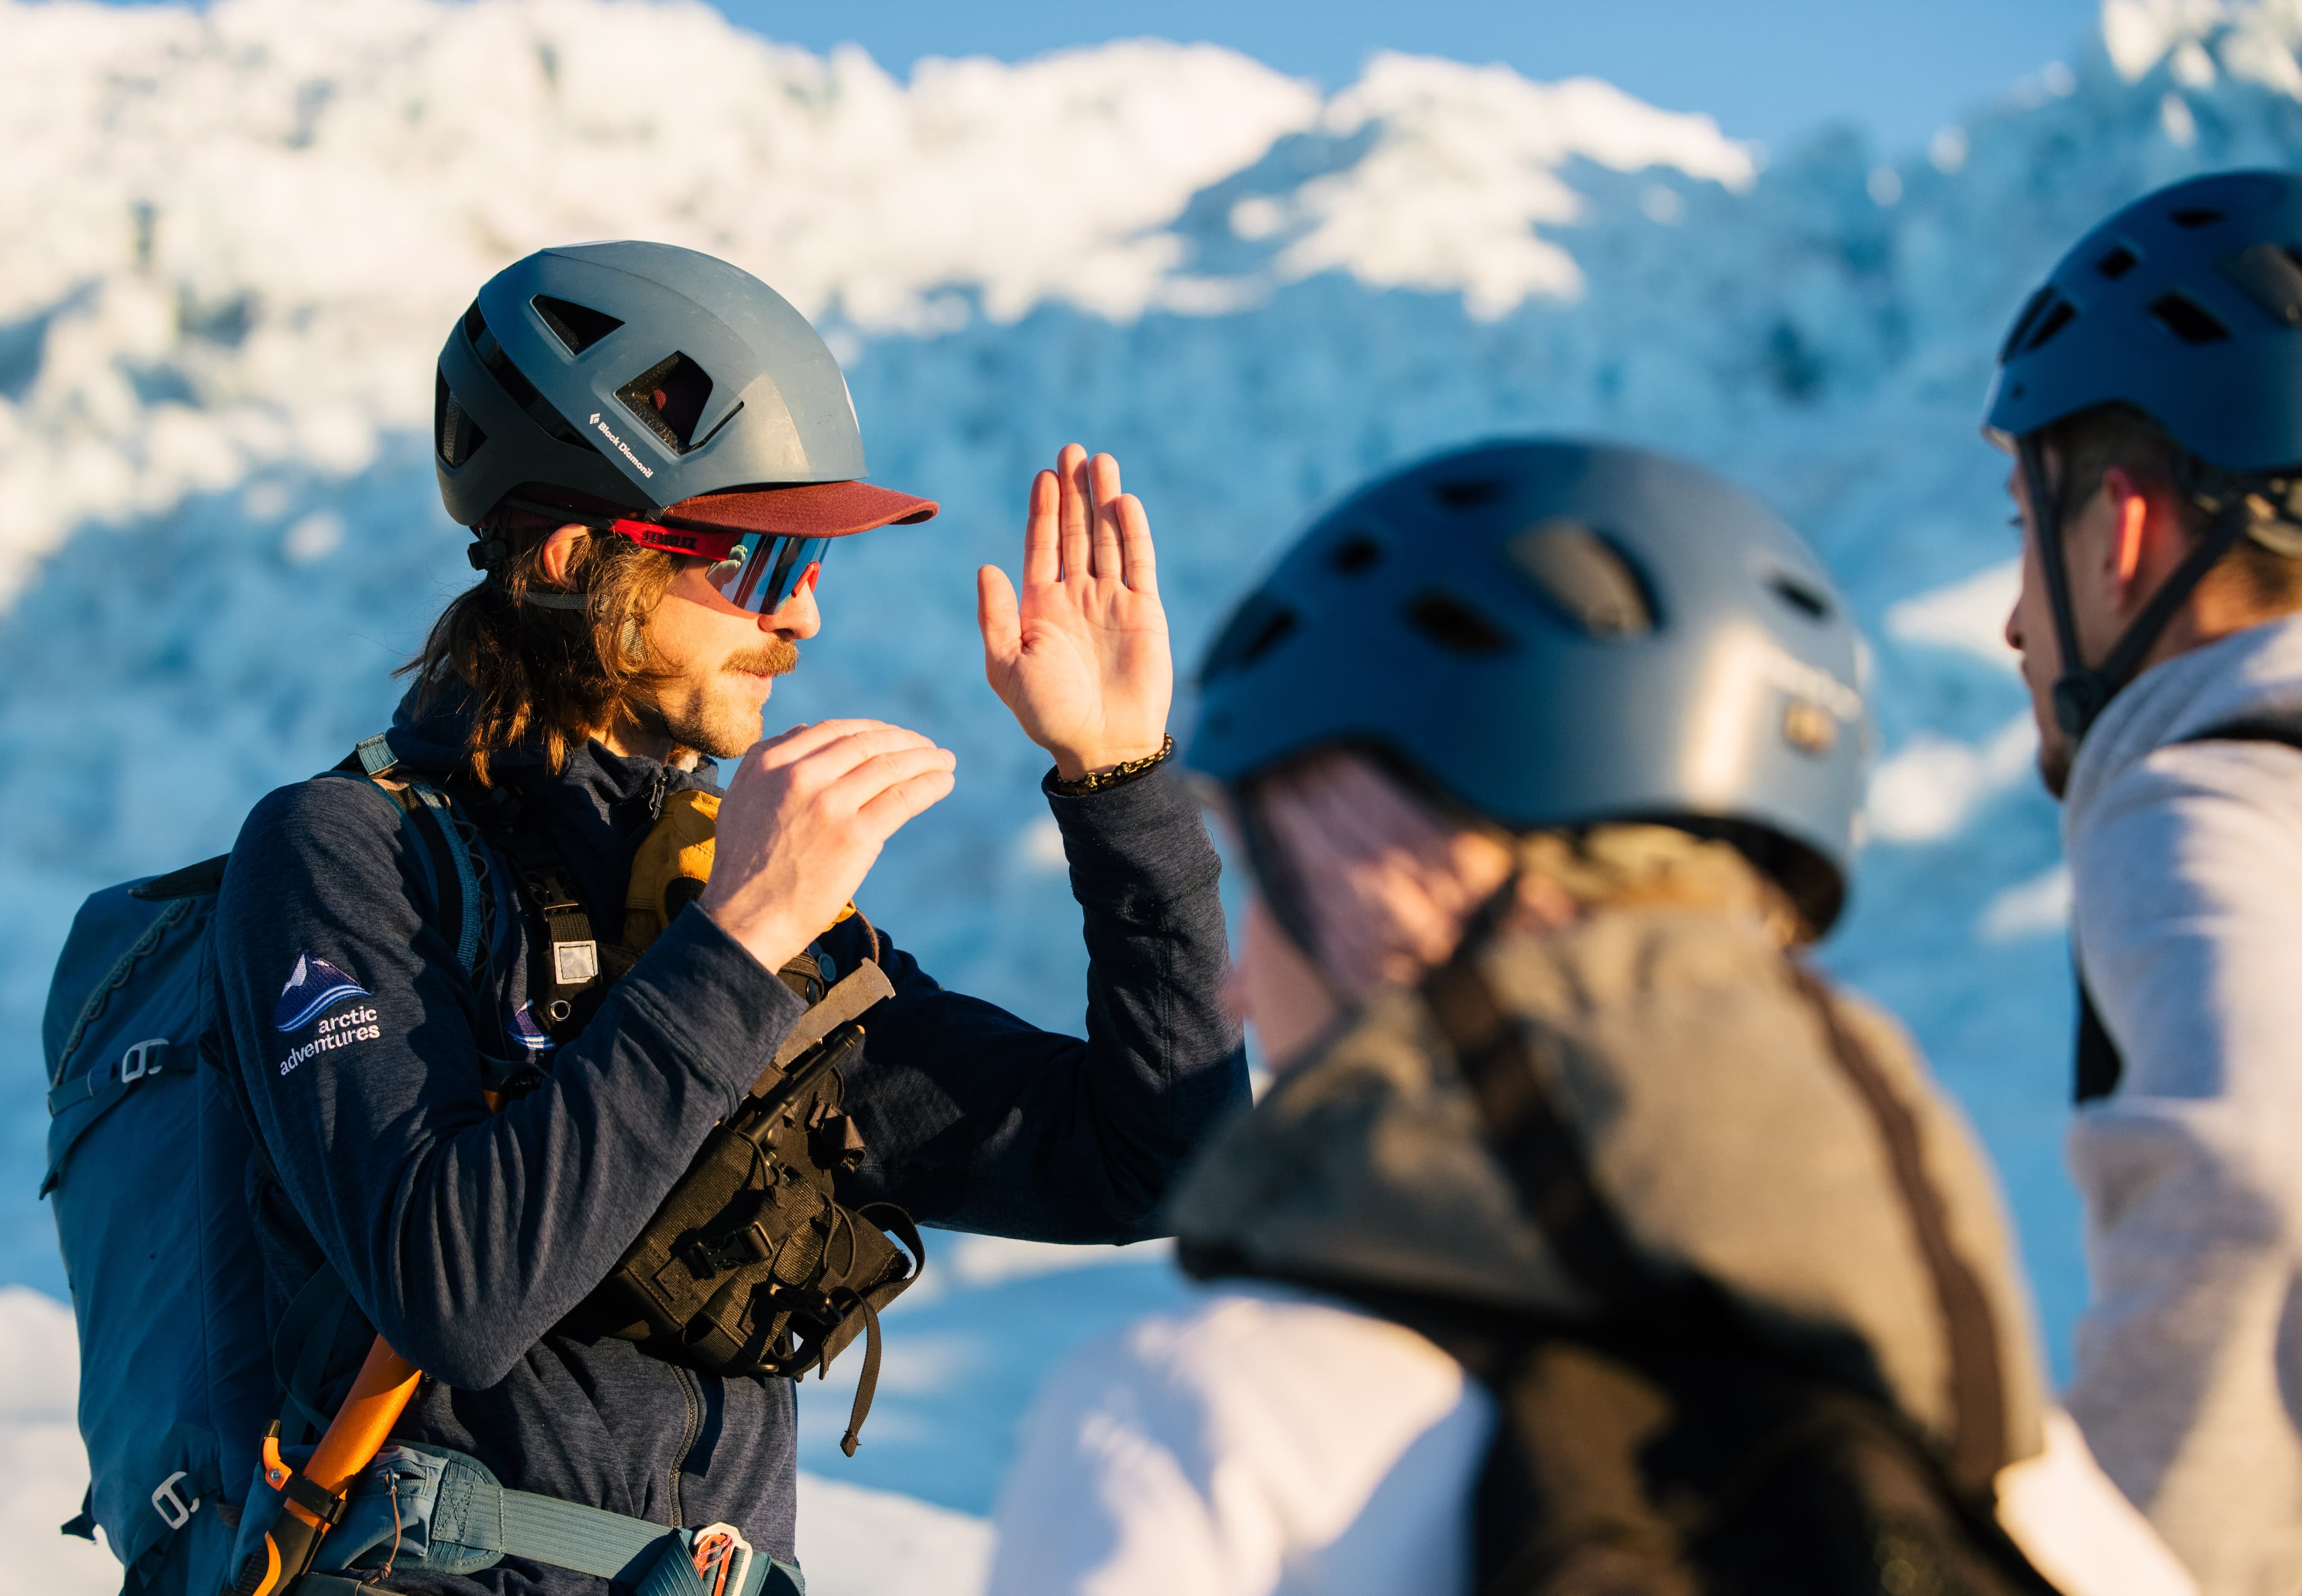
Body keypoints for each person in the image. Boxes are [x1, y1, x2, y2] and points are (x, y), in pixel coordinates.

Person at [211, 241, 1245, 1594]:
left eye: (811, 560)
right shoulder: (349, 853)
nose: (805, 613)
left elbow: (1161, 1165)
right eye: (757, 558)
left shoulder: (726, 891)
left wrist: (1120, 788)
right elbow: (452, 1290)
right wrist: (740, 939)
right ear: (578, 555)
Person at [983, 439, 2192, 1596]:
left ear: (1393, 896)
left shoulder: (1194, 1434)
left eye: (1272, 882)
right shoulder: (2019, 1471)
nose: (1239, 985)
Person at [1983, 169, 2302, 1594]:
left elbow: (2248, 1185)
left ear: (2120, 527)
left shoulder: (2210, 788)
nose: (2012, 622)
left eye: (2021, 533)